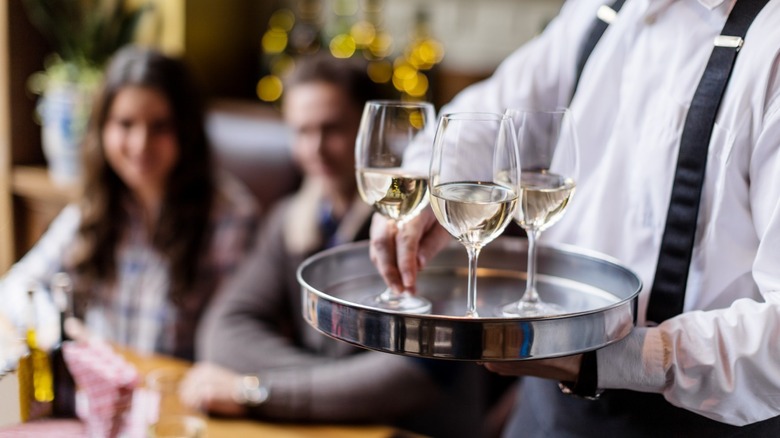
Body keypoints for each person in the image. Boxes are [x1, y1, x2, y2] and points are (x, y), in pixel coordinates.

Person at [368, 0, 780, 436]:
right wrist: (420, 183)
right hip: (547, 407)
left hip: (698, 421)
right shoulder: (599, 9)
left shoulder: (771, 47)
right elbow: (489, 114)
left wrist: (611, 358)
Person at [181, 53, 506, 437]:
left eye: (331, 129)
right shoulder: (290, 219)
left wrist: (258, 391)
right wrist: (339, 388)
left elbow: (409, 379)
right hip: (328, 426)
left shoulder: (431, 222)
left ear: (369, 134)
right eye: (302, 131)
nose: (315, 148)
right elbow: (221, 333)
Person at [0, 46, 260, 361]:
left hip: (177, 397)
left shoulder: (230, 216)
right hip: (101, 390)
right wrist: (52, 328)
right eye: (125, 124)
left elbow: (233, 340)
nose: (140, 144)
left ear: (186, 130)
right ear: (103, 129)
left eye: (160, 126)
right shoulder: (99, 202)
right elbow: (17, 285)